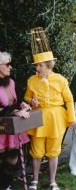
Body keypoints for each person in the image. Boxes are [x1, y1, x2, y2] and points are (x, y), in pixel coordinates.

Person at [24, 52, 76, 190]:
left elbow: (69, 100)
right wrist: (32, 101)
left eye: (40, 65)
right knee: (37, 151)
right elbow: (27, 97)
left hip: (56, 119)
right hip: (37, 118)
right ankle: (34, 180)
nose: (37, 68)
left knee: (53, 151)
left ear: (48, 65)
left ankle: (53, 181)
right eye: (36, 65)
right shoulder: (32, 80)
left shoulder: (60, 80)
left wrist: (71, 118)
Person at [0, 51, 30, 190]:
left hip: (12, 129)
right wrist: (15, 112)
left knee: (13, 158)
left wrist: (22, 105)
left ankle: (5, 185)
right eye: (7, 64)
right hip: (1, 128)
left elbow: (15, 102)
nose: (10, 67)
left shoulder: (11, 82)